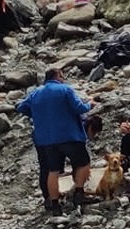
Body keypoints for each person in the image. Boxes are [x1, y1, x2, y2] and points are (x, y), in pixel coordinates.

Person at [16, 68, 94, 215]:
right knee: (83, 163)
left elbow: (21, 107)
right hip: (69, 135)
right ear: (58, 76)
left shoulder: (36, 93)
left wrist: (37, 114)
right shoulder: (65, 89)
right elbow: (79, 108)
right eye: (62, 77)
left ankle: (55, 205)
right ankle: (79, 193)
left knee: (53, 171)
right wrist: (90, 104)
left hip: (46, 140)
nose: (63, 79)